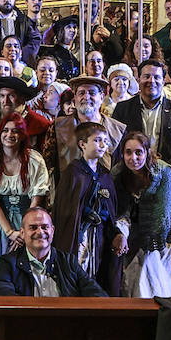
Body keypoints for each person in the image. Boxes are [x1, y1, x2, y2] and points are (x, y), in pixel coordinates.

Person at [0, 207, 107, 340]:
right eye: (33, 227)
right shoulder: (8, 263)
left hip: (66, 331)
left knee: (87, 327)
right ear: (22, 233)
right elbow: (0, 291)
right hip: (28, 331)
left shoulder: (67, 261)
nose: (40, 232)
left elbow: (96, 292)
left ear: (52, 231)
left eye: (45, 227)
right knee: (20, 330)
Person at [112, 132, 171, 297]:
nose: (133, 157)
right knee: (132, 289)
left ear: (147, 152)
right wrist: (121, 233)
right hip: (130, 237)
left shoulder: (164, 173)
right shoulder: (118, 173)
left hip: (160, 240)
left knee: (156, 290)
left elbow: (167, 214)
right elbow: (119, 211)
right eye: (128, 152)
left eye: (139, 152)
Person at [51, 121, 121, 294]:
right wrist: (86, 213)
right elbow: (66, 213)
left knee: (98, 272)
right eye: (97, 140)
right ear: (82, 144)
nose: (103, 145)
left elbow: (111, 209)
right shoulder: (73, 173)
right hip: (79, 237)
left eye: (105, 140)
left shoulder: (105, 174)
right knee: (79, 271)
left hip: (100, 236)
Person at [0, 112, 49, 272]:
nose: (9, 134)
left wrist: (24, 231)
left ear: (22, 135)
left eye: (15, 131)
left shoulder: (34, 161)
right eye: (5, 130)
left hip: (28, 218)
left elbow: (36, 199)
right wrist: (10, 232)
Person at [112, 59, 171, 165]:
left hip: (168, 172)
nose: (151, 81)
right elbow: (115, 147)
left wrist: (166, 168)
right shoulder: (122, 109)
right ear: (138, 80)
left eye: (157, 77)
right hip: (131, 173)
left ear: (163, 81)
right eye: (146, 76)